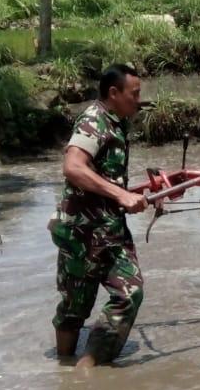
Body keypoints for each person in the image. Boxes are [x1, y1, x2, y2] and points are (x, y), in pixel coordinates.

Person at [49, 63, 149, 367]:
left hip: (109, 230)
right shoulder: (93, 120)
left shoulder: (116, 122)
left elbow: (107, 177)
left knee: (130, 293)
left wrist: (135, 194)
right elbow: (73, 167)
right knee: (73, 309)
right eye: (134, 94)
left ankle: (87, 367)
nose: (138, 101)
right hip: (83, 232)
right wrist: (121, 195)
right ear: (113, 93)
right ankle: (69, 372)